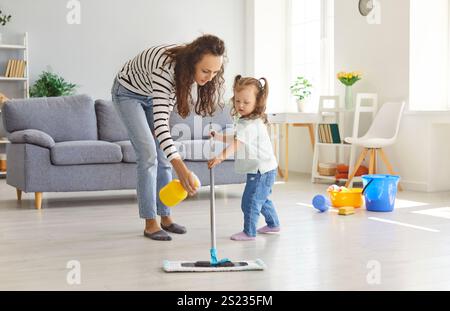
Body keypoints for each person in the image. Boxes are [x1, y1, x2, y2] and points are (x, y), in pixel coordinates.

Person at [111, 35, 226, 241]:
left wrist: (175, 161)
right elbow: (162, 126)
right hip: (127, 93)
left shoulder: (183, 74)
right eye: (205, 71)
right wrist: (182, 171)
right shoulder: (167, 71)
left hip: (150, 93)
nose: (210, 78)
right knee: (148, 155)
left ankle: (165, 216)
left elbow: (163, 120)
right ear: (192, 62)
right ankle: (150, 222)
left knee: (164, 157)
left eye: (215, 72)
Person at [208, 75, 280, 241]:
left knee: (249, 202)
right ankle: (273, 224)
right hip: (263, 169)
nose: (240, 105)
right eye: (237, 100)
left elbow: (237, 144)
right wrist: (219, 136)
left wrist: (220, 158)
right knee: (261, 199)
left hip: (261, 170)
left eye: (246, 102)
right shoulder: (247, 121)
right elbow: (236, 136)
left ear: (257, 102)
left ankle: (249, 232)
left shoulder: (251, 124)